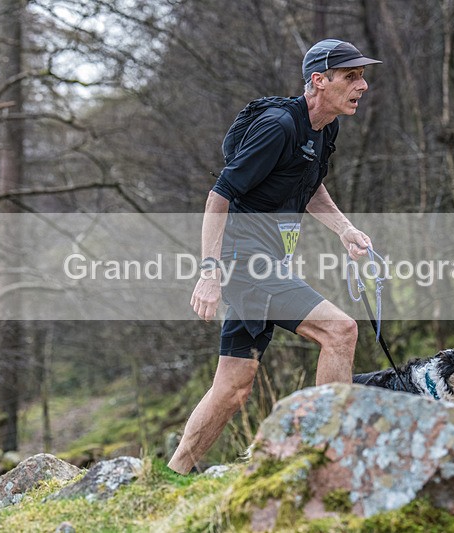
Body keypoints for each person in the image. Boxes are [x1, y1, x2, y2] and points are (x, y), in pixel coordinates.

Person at [168, 39, 381, 475]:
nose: (362, 85)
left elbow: (310, 185)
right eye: (351, 76)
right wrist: (209, 272)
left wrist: (345, 230)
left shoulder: (325, 129)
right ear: (318, 81)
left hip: (267, 263)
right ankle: (328, 456)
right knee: (340, 331)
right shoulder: (279, 126)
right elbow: (218, 196)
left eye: (362, 76)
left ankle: (171, 476)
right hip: (246, 262)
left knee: (233, 387)